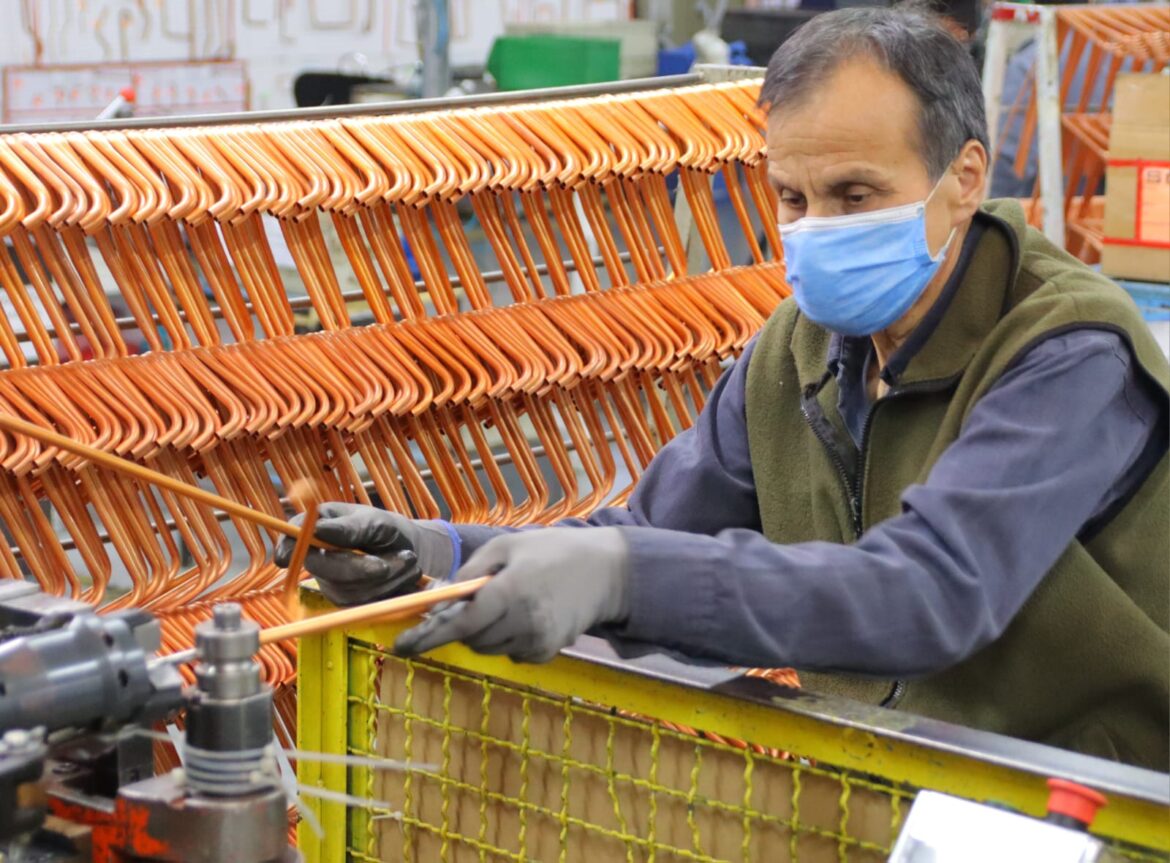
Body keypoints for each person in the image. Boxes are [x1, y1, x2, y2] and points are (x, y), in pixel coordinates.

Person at [276, 5, 1169, 769]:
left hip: (1092, 802)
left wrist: (624, 578)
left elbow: (927, 593)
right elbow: (651, 534)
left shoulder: (1066, 353)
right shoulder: (802, 348)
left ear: (964, 179)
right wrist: (441, 558)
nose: (816, 230)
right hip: (899, 774)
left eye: (855, 196)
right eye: (792, 197)